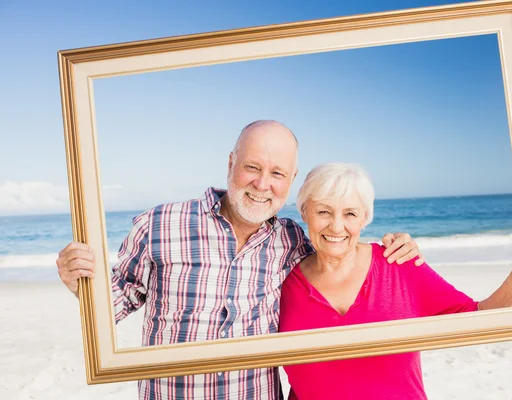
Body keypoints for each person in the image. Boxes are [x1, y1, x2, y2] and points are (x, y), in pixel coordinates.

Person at [56, 120, 425, 400]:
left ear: (291, 180)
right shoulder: (160, 224)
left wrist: (396, 248)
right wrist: (82, 282)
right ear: (232, 163)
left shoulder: (292, 240)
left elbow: (341, 248)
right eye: (252, 167)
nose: (262, 184)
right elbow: (116, 303)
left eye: (277, 173)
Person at [278, 162, 512, 400]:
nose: (336, 226)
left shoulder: (398, 264)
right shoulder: (283, 282)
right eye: (323, 212)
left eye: (350, 213)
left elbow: (478, 318)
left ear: (365, 217)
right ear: (305, 212)